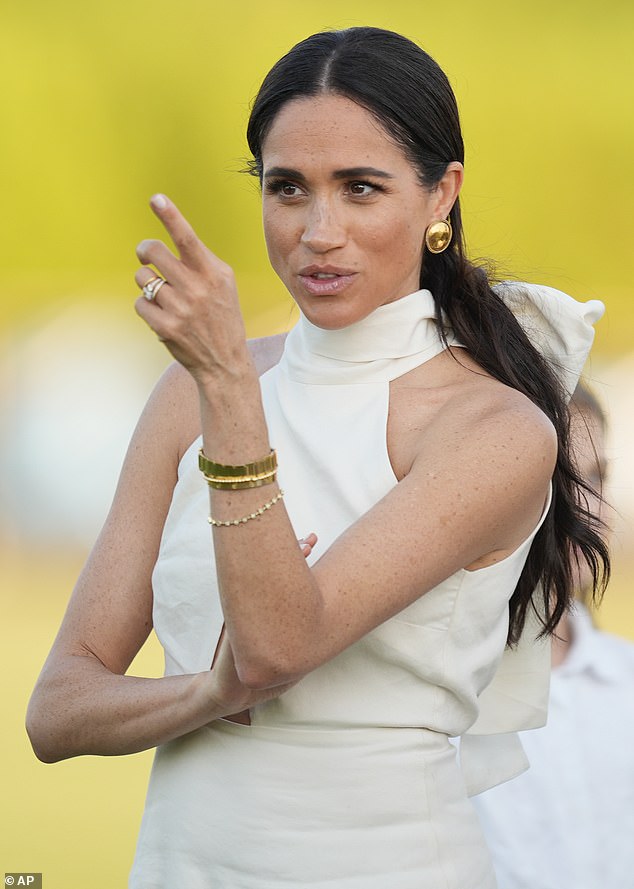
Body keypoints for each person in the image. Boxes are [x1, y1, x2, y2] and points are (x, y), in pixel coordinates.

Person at [26, 27, 609, 889]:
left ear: (440, 194)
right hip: (180, 861)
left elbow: (274, 648)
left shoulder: (495, 427)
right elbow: (56, 711)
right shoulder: (187, 394)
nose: (318, 230)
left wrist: (230, 390)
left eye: (361, 189)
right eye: (287, 188)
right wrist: (199, 696)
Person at [473, 384, 634, 889]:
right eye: (558, 480)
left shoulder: (625, 680)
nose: (588, 510)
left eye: (597, 476)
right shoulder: (441, 698)